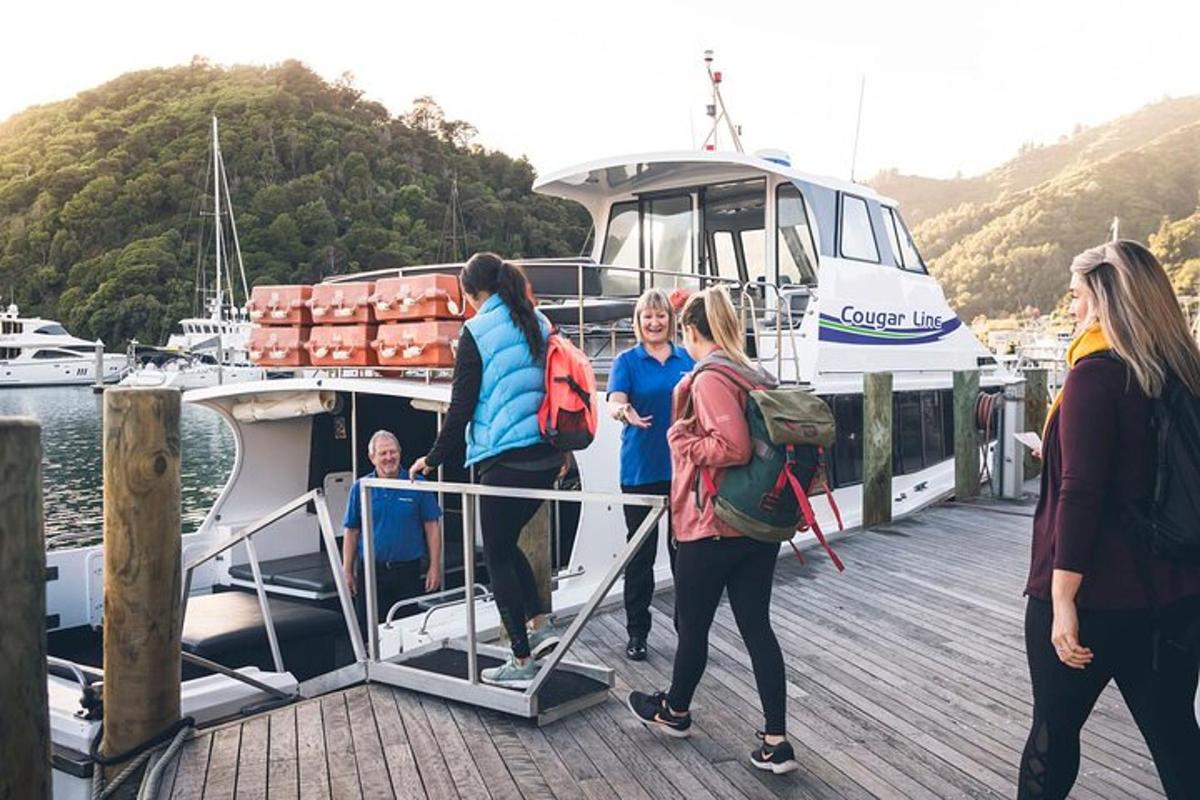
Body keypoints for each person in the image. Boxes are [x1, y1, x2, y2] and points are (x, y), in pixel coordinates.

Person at [1018, 240, 1200, 799]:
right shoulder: (1183, 375)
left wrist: (1063, 600)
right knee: (1176, 738)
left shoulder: (1094, 377)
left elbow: (1083, 494)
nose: (1072, 310)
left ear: (1103, 301)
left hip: (1094, 596)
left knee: (1054, 731)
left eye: (1076, 297)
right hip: (1174, 594)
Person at [626, 286, 799, 775]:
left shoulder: (709, 379)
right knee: (756, 627)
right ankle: (775, 740)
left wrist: (681, 438)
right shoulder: (752, 373)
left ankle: (675, 712)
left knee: (693, 627)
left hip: (713, 524)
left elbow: (734, 447)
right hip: (755, 524)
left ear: (690, 330)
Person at [411, 252, 564, 689]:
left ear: (471, 293)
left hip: (505, 460)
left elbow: (460, 410)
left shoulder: (476, 331)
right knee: (506, 541)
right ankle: (540, 622)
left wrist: (433, 458)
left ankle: (521, 657)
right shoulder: (538, 321)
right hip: (545, 460)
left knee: (494, 554)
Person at [606, 287, 693, 660]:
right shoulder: (626, 361)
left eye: (660, 316)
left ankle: (688, 632)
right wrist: (625, 413)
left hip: (683, 470)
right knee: (640, 557)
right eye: (647, 317)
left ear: (670, 321)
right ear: (638, 323)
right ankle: (637, 633)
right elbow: (614, 401)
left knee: (684, 556)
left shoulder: (686, 358)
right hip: (640, 470)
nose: (654, 322)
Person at [342, 430, 442, 633]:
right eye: (383, 453)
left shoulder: (417, 484)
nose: (389, 458)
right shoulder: (360, 488)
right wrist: (347, 571)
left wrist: (434, 566)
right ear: (372, 458)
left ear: (400, 453)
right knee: (369, 632)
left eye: (393, 452)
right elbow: (351, 531)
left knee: (408, 631)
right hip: (371, 571)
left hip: (407, 571)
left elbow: (432, 527)